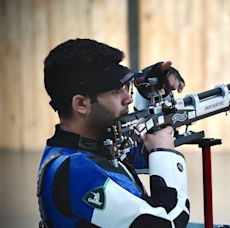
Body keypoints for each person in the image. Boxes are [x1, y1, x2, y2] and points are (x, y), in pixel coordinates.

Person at [37, 38, 189, 227]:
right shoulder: (78, 171)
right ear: (81, 104)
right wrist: (165, 154)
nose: (128, 99)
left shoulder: (96, 144)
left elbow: (145, 151)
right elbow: (169, 224)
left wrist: (148, 93)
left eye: (127, 88)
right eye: (117, 90)